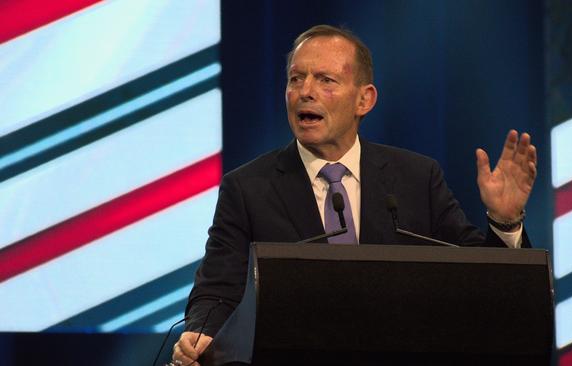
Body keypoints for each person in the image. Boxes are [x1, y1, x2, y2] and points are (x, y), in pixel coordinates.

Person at [171, 24, 537, 365]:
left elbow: (480, 280)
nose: (305, 91)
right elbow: (216, 292)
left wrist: (505, 221)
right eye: (295, 79)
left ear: (365, 99)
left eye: (325, 79)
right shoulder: (247, 188)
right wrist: (198, 334)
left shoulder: (416, 178)